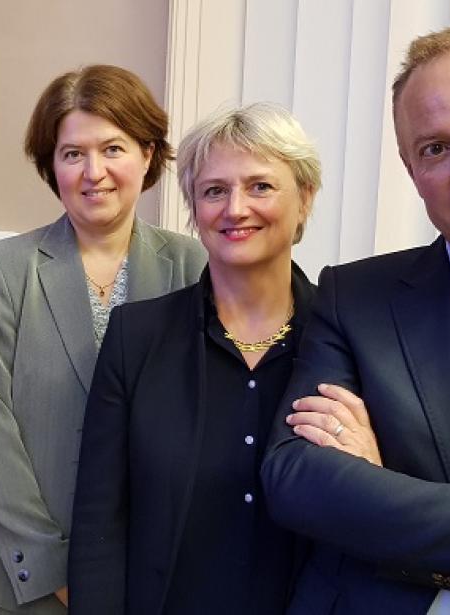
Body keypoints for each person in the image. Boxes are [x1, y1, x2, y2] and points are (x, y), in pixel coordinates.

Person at [262, 20, 450, 614]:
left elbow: (345, 498)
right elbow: (297, 478)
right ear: (412, 171)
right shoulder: (355, 295)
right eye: (435, 148)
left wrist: (383, 492)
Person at [0, 64, 207, 614]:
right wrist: (49, 567)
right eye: (72, 154)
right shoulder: (5, 267)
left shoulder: (192, 266)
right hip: (11, 577)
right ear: (51, 165)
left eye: (113, 148)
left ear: (147, 153)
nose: (95, 172)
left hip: (144, 571)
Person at [68, 102, 323, 614]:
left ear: (305, 200)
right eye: (213, 191)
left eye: (260, 186)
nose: (235, 208)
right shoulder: (136, 338)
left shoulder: (348, 339)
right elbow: (100, 522)